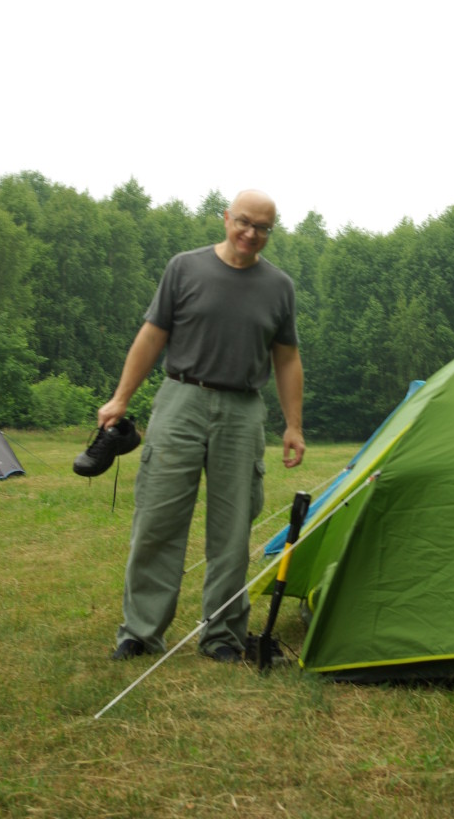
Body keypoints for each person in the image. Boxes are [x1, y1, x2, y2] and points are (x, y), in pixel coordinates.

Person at [98, 189, 305, 663]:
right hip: (181, 400)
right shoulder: (184, 268)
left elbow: (287, 357)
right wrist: (120, 397)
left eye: (263, 228)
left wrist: (293, 425)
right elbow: (153, 335)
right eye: (244, 222)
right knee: (158, 520)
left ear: (270, 232)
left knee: (232, 530)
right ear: (226, 217)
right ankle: (140, 633)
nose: (251, 233)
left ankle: (223, 637)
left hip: (243, 409)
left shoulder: (279, 287)